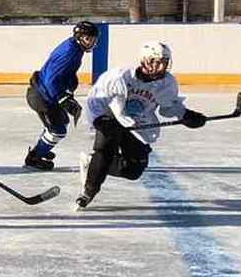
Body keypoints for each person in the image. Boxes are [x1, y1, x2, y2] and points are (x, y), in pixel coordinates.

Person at [75, 40, 205, 211]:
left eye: (164, 63)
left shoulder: (167, 83)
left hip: (137, 124)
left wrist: (186, 115)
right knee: (104, 151)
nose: (160, 67)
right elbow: (95, 101)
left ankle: (91, 162)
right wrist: (99, 120)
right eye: (156, 62)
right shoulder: (119, 77)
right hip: (111, 118)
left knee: (133, 170)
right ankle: (88, 192)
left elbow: (168, 107)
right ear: (144, 60)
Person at [24, 20, 100, 170]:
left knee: (61, 122)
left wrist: (70, 86)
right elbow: (51, 79)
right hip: (42, 96)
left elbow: (63, 73)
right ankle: (34, 158)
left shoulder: (75, 47)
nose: (91, 42)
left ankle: (41, 149)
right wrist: (63, 98)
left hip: (45, 93)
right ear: (79, 37)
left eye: (93, 39)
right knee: (58, 130)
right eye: (88, 38)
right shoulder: (70, 52)